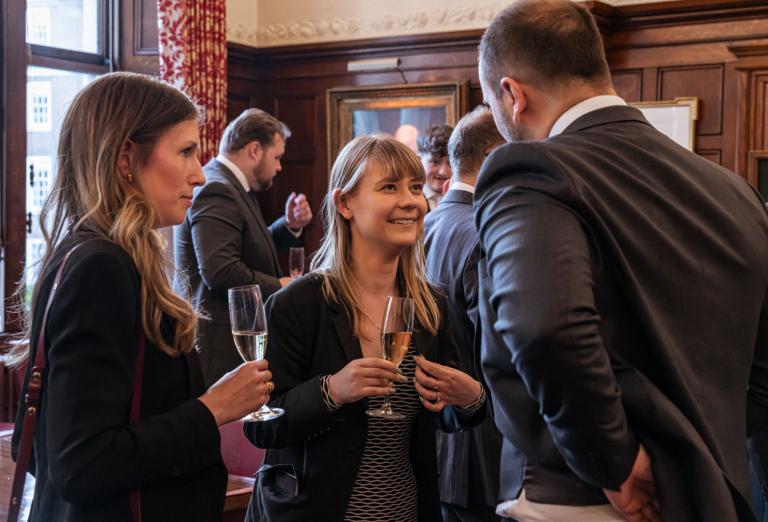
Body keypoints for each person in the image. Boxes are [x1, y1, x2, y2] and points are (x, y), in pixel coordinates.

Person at [475, 1, 768, 521]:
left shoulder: (531, 171)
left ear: (512, 95)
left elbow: (546, 327)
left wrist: (613, 462)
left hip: (592, 500)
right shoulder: (736, 193)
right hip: (717, 500)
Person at [9, 72, 274, 521]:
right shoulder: (101, 268)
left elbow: (33, 444)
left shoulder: (90, 255)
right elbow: (79, 463)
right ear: (126, 158)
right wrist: (212, 409)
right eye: (186, 151)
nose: (198, 172)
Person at [244, 134, 486, 521]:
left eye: (415, 187)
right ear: (344, 204)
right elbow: (261, 427)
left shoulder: (429, 306)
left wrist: (471, 398)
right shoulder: (299, 304)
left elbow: (445, 414)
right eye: (390, 187)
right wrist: (331, 391)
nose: (411, 201)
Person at [174, 108, 313, 386]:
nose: (279, 167)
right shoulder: (218, 188)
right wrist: (280, 284)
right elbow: (221, 270)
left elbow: (248, 248)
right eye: (277, 157)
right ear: (254, 150)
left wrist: (289, 225)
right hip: (220, 347)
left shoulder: (232, 185)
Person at [424, 106, 505, 522]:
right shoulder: (483, 231)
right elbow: (498, 346)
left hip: (436, 442)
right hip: (481, 445)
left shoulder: (424, 223)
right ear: (494, 156)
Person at [417, 123, 453, 210]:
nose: (443, 172)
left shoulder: (470, 199)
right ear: (419, 160)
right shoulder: (410, 198)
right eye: (435, 162)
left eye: (451, 163)